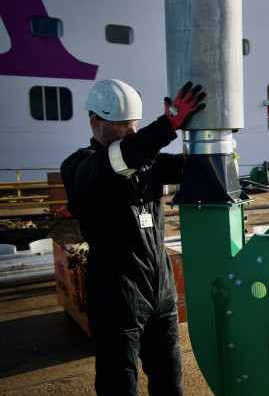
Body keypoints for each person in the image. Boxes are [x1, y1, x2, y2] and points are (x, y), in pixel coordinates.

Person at [61, 79, 206, 396]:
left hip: (160, 290)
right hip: (117, 292)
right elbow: (122, 157)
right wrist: (168, 123)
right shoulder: (79, 167)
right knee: (119, 382)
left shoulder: (145, 160)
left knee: (170, 378)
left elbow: (194, 167)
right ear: (95, 121)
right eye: (122, 125)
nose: (131, 131)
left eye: (134, 124)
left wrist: (221, 152)